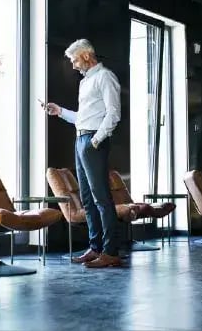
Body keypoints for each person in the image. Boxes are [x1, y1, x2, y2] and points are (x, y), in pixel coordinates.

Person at [45, 39, 122, 268]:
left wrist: (96, 141)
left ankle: (111, 252)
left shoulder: (105, 77)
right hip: (81, 139)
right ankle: (96, 247)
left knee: (101, 198)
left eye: (75, 59)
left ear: (87, 56)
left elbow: (113, 114)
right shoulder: (85, 82)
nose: (73, 65)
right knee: (87, 199)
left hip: (92, 141)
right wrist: (60, 112)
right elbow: (83, 117)